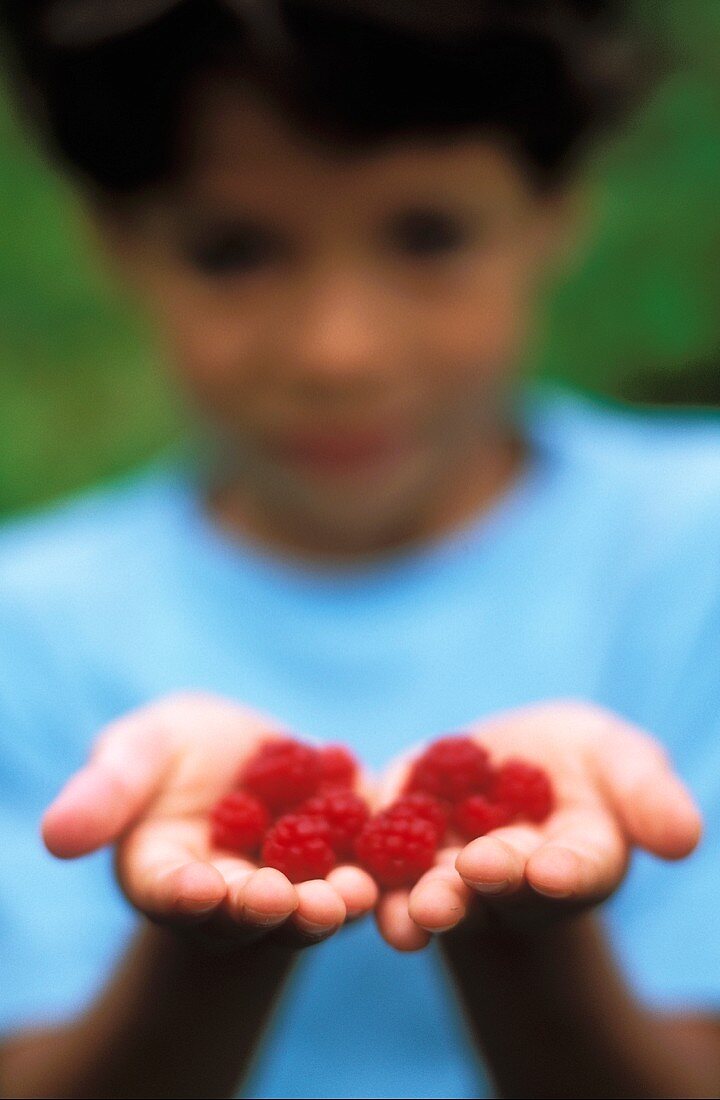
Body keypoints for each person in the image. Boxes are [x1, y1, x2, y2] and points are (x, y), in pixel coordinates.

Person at [0, 2, 718, 1097]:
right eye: (234, 251)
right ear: (117, 243)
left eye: (427, 234)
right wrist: (212, 946)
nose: (339, 350)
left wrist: (522, 936)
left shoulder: (696, 548)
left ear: (558, 212)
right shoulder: (27, 626)